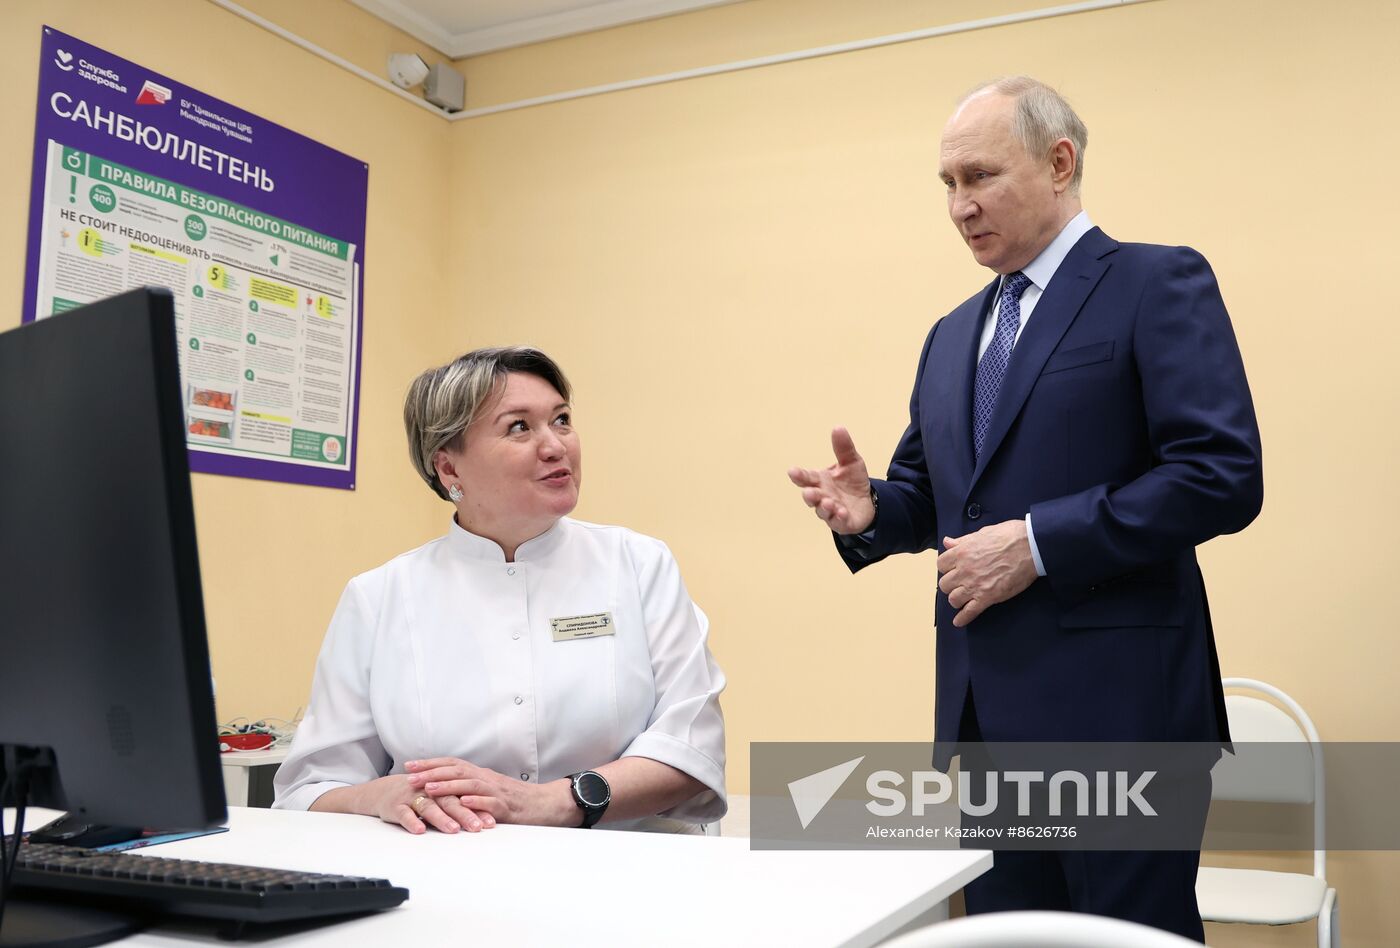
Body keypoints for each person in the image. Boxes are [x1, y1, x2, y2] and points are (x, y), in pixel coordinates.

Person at [787, 76, 1262, 940]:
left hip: (1122, 721)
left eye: (980, 176)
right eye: (947, 184)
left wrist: (1040, 544)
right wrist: (873, 512)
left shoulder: (1156, 281)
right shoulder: (949, 334)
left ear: (1059, 162)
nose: (960, 206)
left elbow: (1220, 473)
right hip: (984, 723)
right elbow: (936, 498)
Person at [274, 347, 726, 835]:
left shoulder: (639, 565)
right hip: (443, 867)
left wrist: (554, 801)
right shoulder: (380, 596)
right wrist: (379, 795)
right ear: (449, 469)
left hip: (624, 865)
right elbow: (309, 788)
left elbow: (692, 746)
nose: (555, 446)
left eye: (562, 420)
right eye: (519, 427)